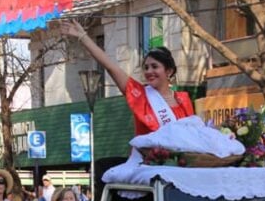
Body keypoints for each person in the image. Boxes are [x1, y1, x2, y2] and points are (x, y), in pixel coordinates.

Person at [61, 19, 195, 135]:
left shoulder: (183, 99)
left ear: (169, 71)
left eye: (155, 66)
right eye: (146, 67)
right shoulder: (140, 94)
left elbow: (193, 134)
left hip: (179, 163)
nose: (149, 71)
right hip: (148, 161)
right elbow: (111, 67)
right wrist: (83, 36)